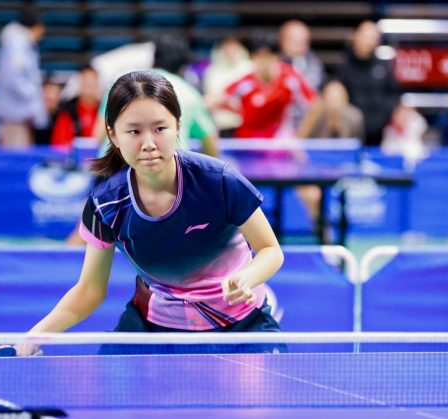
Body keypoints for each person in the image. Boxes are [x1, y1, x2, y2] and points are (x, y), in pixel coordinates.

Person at [16, 71, 284, 353]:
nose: (148, 144)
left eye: (159, 128)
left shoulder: (218, 181)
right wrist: (33, 338)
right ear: (113, 135)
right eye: (134, 131)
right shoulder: (106, 204)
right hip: (154, 331)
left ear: (177, 126)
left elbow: (270, 250)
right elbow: (90, 289)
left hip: (241, 325)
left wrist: (248, 277)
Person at [94, 35, 218, 157]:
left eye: (160, 129)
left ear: (153, 59)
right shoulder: (190, 93)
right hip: (166, 167)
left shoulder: (120, 82)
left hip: (113, 165)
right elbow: (211, 145)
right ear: (182, 68)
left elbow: (99, 135)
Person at [221, 30, 317, 139]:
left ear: (275, 57)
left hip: (278, 142)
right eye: (258, 56)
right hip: (248, 142)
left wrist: (301, 136)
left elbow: (315, 104)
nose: (264, 62)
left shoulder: (291, 77)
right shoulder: (245, 81)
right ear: (253, 58)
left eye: (267, 56)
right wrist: (239, 112)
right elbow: (218, 99)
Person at [334, 20, 400, 146]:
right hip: (350, 134)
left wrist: (386, 117)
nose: (369, 42)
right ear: (355, 36)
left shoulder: (383, 67)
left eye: (373, 38)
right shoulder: (343, 67)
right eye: (366, 37)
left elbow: (393, 95)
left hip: (379, 133)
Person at [0, 9, 47, 148]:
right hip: (14, 114)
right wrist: (32, 95)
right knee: (15, 153)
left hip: (21, 115)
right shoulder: (16, 44)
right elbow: (14, 78)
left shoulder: (23, 44)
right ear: (36, 26)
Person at [203, 37, 255, 138]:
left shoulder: (250, 68)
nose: (230, 50)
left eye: (233, 46)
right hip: (220, 125)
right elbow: (210, 99)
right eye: (226, 46)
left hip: (245, 124)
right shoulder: (212, 71)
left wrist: (226, 101)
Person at [51, 67, 101, 148]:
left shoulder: (104, 111)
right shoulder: (68, 112)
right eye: (87, 84)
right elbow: (59, 144)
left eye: (93, 84)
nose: (90, 89)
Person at [298, 80, 364, 141]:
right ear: (324, 98)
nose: (334, 103)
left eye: (337, 99)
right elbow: (301, 140)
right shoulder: (315, 115)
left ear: (345, 99)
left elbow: (358, 143)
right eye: (331, 98)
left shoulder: (354, 118)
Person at [279, 20, 324, 90]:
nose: (299, 48)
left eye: (303, 42)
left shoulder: (315, 65)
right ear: (283, 42)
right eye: (295, 43)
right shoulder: (274, 66)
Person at [381, 104, 428, 169]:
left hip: (413, 153)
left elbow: (420, 128)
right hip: (393, 157)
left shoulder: (416, 120)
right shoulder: (390, 129)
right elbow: (386, 149)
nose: (403, 114)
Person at [34, 79, 62, 145]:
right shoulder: (32, 118)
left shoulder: (63, 116)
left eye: (53, 93)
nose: (49, 95)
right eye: (46, 92)